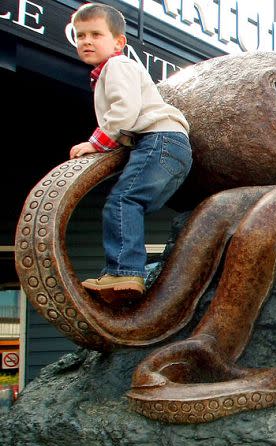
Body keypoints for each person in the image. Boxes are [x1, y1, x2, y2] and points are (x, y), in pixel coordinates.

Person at [69, 3, 191, 303]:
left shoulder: (117, 66)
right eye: (80, 35)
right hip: (171, 147)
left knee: (123, 201)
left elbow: (125, 109)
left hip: (159, 140)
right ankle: (123, 274)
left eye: (96, 34)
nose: (86, 41)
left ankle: (125, 272)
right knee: (131, 204)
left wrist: (96, 142)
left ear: (118, 42)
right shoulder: (111, 71)